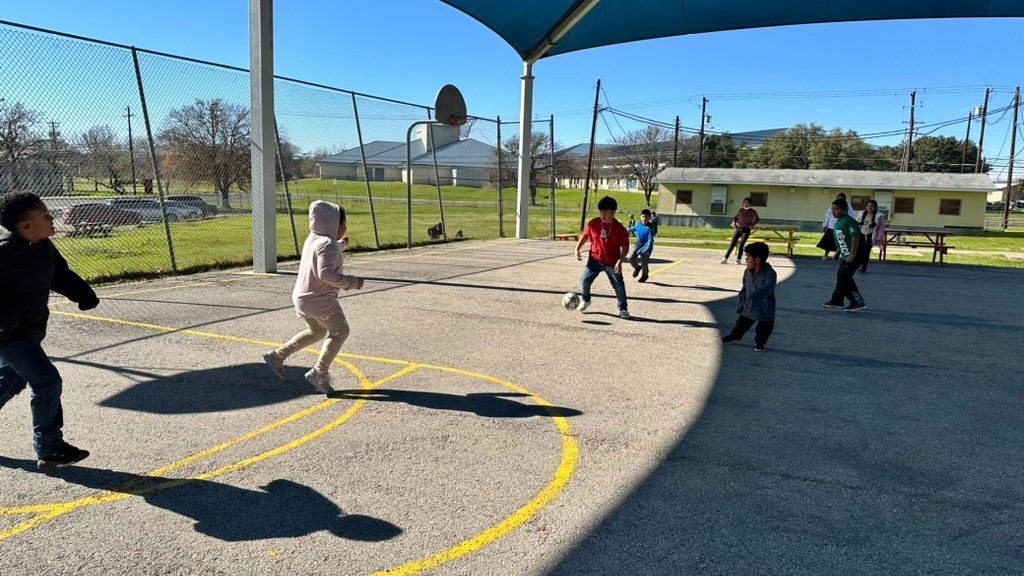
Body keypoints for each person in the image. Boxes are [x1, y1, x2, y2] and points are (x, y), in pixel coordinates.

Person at [0, 192, 99, 469]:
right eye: (45, 215)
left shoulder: (44, 246)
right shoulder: (5, 251)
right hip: (9, 335)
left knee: (12, 381)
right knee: (47, 381)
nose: (51, 218)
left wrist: (82, 293)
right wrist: (5, 318)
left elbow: (60, 274)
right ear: (25, 225)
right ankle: (50, 447)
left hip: (31, 330)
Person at [263, 200, 364, 393]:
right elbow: (326, 273)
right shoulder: (327, 244)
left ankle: (277, 355)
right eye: (343, 223)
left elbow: (324, 252)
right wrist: (352, 282)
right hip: (319, 299)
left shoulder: (315, 239)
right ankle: (320, 372)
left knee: (316, 331)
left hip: (303, 297)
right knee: (340, 331)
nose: (345, 227)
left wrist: (340, 245)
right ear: (334, 224)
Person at [574, 196, 631, 319]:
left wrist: (620, 261)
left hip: (612, 262)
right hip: (595, 259)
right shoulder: (593, 223)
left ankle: (623, 309)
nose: (603, 214)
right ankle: (586, 299)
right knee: (584, 280)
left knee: (619, 286)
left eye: (606, 211)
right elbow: (585, 236)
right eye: (601, 211)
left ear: (613, 212)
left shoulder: (619, 229)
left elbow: (625, 247)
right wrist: (577, 248)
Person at [721, 242, 776, 352]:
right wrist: (742, 299)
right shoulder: (748, 271)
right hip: (748, 306)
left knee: (764, 328)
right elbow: (745, 286)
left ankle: (760, 343)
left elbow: (767, 289)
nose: (745, 260)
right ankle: (735, 335)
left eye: (748, 257)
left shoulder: (770, 274)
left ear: (757, 260)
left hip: (765, 308)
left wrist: (753, 298)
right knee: (741, 324)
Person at [823, 198, 866, 312]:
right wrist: (837, 253)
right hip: (844, 255)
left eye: (836, 209)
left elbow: (855, 237)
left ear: (845, 210)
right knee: (843, 277)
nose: (833, 212)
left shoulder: (849, 221)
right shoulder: (839, 221)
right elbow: (841, 238)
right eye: (832, 209)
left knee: (844, 278)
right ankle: (838, 301)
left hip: (853, 255)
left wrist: (852, 255)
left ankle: (856, 301)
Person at [721, 197, 760, 264]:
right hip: (739, 229)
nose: (745, 204)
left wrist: (752, 225)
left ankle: (738, 260)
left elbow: (757, 219)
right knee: (732, 244)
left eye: (747, 203)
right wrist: (734, 223)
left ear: (750, 204)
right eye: (744, 203)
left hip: (746, 230)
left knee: (741, 244)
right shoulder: (740, 210)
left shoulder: (753, 212)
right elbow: (735, 218)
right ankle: (725, 258)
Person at [855, 199, 886, 273]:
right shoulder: (861, 213)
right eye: (868, 205)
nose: (869, 207)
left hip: (871, 236)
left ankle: (864, 266)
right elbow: (856, 223)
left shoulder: (879, 216)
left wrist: (878, 238)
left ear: (875, 207)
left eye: (872, 206)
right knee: (859, 251)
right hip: (861, 234)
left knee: (866, 251)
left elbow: (881, 228)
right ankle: (859, 264)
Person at [627, 209, 655, 282]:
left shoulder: (650, 227)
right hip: (638, 243)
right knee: (630, 258)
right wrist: (627, 230)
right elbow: (634, 228)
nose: (644, 219)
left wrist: (645, 249)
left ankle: (644, 275)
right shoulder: (639, 224)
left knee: (644, 262)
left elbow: (650, 239)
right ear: (640, 217)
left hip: (647, 246)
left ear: (649, 218)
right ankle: (637, 267)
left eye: (646, 217)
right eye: (643, 217)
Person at [816, 192, 846, 260]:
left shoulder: (848, 207)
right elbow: (827, 216)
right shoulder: (832, 206)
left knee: (840, 242)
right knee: (828, 242)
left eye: (841, 199)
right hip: (831, 226)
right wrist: (825, 226)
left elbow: (850, 216)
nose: (840, 200)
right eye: (838, 199)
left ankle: (838, 255)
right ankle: (825, 255)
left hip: (841, 227)